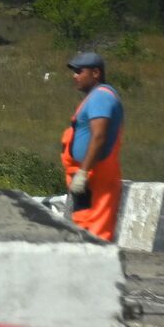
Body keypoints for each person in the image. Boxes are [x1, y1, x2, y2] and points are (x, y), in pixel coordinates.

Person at [61, 51, 124, 241]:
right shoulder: (96, 97)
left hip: (96, 174)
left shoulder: (101, 97)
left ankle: (97, 264)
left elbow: (99, 136)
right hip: (90, 175)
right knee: (85, 222)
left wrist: (83, 172)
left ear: (95, 73)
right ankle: (85, 264)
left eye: (80, 71)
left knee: (97, 227)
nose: (75, 76)